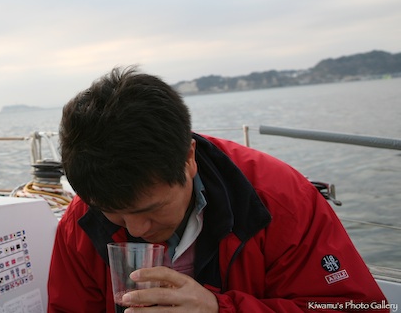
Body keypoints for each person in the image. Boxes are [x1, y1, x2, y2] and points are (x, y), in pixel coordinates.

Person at [47, 66, 389, 312]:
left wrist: (218, 308)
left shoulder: (280, 200)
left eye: (150, 209)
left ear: (189, 159)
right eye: (114, 214)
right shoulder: (82, 218)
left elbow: (359, 306)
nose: (136, 229)